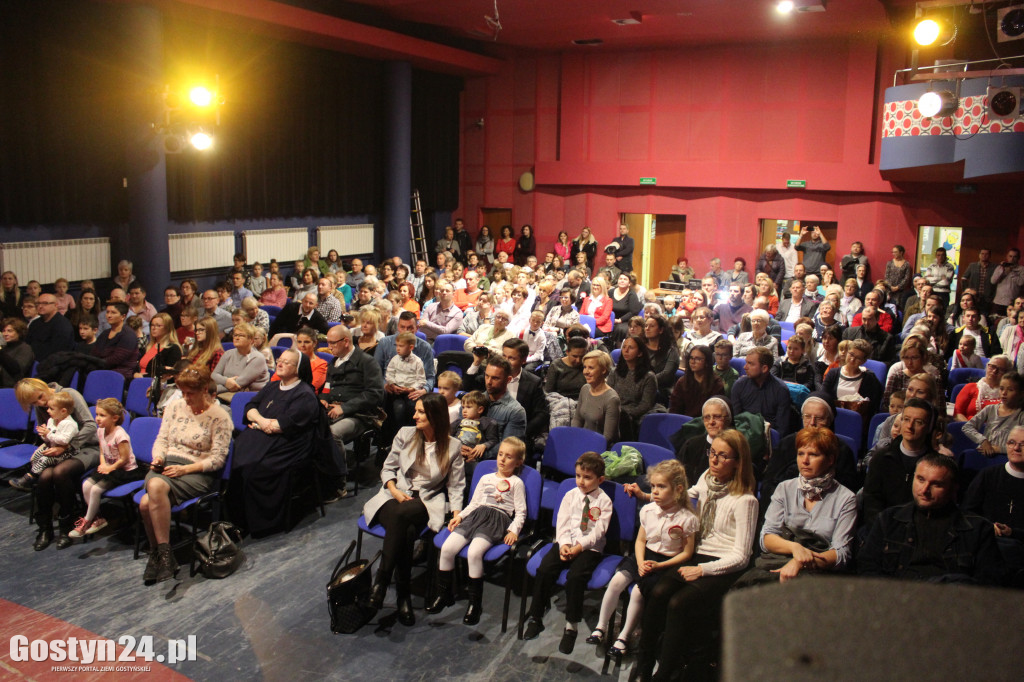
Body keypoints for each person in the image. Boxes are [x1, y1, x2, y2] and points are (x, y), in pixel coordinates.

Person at [635, 429, 757, 682]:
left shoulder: (745, 500)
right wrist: (648, 496)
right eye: (712, 452)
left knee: (678, 603)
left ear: (738, 462)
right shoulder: (705, 479)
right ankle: (644, 662)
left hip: (722, 565)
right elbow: (681, 497)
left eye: (723, 456)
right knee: (657, 592)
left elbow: (742, 556)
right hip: (698, 554)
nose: (714, 460)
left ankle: (664, 673)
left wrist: (702, 570)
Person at [363, 393, 465, 625]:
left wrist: (457, 513)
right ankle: (403, 595)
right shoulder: (405, 434)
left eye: (420, 412)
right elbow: (387, 468)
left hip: (425, 501)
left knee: (403, 516)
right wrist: (395, 491)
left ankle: (380, 582)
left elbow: (456, 485)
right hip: (393, 495)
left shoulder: (453, 446)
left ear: (435, 416)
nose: (414, 415)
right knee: (405, 530)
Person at [589, 460, 697, 659]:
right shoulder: (648, 510)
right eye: (653, 486)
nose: (654, 491)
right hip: (643, 555)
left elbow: (687, 553)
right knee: (616, 582)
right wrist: (639, 562)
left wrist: (659, 565)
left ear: (678, 489)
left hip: (666, 563)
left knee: (638, 592)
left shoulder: (687, 518)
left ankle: (624, 637)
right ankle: (601, 627)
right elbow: (640, 541)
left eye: (661, 487)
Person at [139, 366, 231, 583]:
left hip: (197, 473)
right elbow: (162, 439)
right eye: (183, 393)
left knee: (152, 492)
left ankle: (161, 555)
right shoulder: (176, 406)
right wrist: (159, 458)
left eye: (191, 393)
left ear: (205, 392)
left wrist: (185, 469)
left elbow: (217, 460)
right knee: (147, 501)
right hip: (169, 465)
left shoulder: (220, 417)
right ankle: (162, 555)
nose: (186, 398)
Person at [429, 436, 527, 624]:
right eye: (500, 455)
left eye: (508, 457)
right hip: (476, 516)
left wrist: (514, 530)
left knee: (475, 553)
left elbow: (521, 512)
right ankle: (444, 594)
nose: (502, 459)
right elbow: (474, 503)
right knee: (448, 548)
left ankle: (475, 604)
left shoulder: (516, 483)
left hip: (497, 519)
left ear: (518, 462)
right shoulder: (485, 478)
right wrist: (460, 516)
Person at [860, 454, 1002, 583]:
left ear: (954, 488)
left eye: (936, 484)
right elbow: (867, 569)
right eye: (920, 480)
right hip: (896, 599)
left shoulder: (978, 529)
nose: (924, 490)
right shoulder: (888, 519)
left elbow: (987, 584)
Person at [523, 451, 612, 652]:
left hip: (590, 548)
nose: (581, 481)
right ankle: (536, 618)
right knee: (544, 569)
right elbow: (561, 524)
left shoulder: (604, 501)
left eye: (587, 478)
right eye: (579, 476)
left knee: (576, 577)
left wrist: (579, 547)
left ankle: (571, 627)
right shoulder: (569, 495)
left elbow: (599, 532)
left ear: (600, 479)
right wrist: (563, 544)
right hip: (566, 542)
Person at [228, 348, 321, 537]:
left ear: (298, 368)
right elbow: (250, 408)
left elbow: (282, 426)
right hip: (262, 437)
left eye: (287, 362)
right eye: (280, 359)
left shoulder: (304, 394)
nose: (280, 363)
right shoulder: (273, 386)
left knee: (252, 469)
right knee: (232, 460)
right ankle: (233, 519)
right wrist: (262, 422)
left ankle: (257, 523)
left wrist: (258, 422)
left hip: (289, 446)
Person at [755, 427, 857, 584]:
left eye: (813, 454)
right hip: (779, 563)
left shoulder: (846, 498)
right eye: (801, 453)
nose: (805, 461)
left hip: (820, 573)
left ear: (830, 459)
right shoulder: (784, 488)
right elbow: (766, 538)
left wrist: (800, 561)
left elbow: (840, 553)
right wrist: (796, 549)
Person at [862, 398, 943, 526]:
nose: (910, 426)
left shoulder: (934, 465)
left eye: (918, 422)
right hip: (882, 528)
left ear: (929, 428)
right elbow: (871, 501)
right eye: (906, 419)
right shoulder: (882, 458)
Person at [69, 398, 141, 538]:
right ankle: (98, 519)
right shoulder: (101, 431)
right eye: (97, 415)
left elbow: (124, 459)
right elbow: (102, 451)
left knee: (96, 489)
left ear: (114, 418)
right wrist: (103, 464)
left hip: (125, 470)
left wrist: (110, 468)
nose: (97, 419)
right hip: (109, 466)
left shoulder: (120, 435)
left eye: (102, 415)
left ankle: (86, 522)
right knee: (86, 485)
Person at [963, 425, 1024, 585]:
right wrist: (988, 526)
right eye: (1011, 442)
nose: (1016, 448)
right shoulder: (988, 475)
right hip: (987, 544)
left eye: (1023, 444)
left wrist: (1012, 532)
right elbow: (967, 512)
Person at [10, 390, 79, 492]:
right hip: (52, 447)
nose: (47, 411)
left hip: (67, 452)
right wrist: (44, 435)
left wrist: (48, 434)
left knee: (44, 459)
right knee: (37, 455)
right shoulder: (52, 420)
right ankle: (35, 477)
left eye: (51, 409)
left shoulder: (69, 424)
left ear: (63, 411)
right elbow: (49, 438)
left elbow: (64, 440)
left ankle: (30, 477)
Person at [731, 347, 793, 436]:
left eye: (750, 364)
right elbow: (735, 420)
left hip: (769, 437)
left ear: (764, 368)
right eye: (746, 363)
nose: (745, 367)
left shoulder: (781, 390)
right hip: (743, 435)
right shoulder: (739, 386)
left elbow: (782, 428)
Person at [608, 336, 658, 441]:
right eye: (624, 347)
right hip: (614, 411)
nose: (625, 350)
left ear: (640, 353)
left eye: (630, 348)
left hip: (634, 416)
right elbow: (608, 395)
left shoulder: (649, 376)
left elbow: (646, 404)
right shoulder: (615, 372)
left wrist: (625, 413)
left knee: (622, 420)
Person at [963, 372, 1024, 455]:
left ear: (1021, 394)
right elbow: (967, 427)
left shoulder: (1021, 416)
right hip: (984, 454)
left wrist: (1000, 449)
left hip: (1006, 458)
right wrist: (983, 440)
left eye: (1010, 390)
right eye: (1001, 389)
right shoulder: (990, 409)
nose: (1004, 393)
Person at [821, 337, 883, 415]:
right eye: (851, 354)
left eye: (858, 358)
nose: (852, 359)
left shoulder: (869, 378)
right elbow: (824, 397)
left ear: (863, 361)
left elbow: (873, 406)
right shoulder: (833, 373)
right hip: (832, 415)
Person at [572, 350, 620, 447]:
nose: (586, 372)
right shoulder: (585, 389)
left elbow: (607, 437)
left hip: (599, 449)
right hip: (582, 441)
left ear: (603, 370)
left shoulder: (612, 399)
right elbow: (577, 419)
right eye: (585, 367)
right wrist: (574, 437)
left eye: (591, 368)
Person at [212, 323, 269, 400]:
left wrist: (211, 389)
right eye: (235, 335)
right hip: (225, 395)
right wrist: (226, 381)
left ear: (251, 340)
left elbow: (238, 384)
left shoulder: (258, 358)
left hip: (250, 398)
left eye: (241, 335)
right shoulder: (228, 353)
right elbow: (214, 375)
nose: (237, 338)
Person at [669, 345, 725, 419]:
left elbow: (716, 411)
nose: (692, 362)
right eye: (691, 358)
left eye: (698, 359)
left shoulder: (716, 383)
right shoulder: (682, 381)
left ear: (707, 362)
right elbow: (674, 409)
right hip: (683, 423)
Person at [955, 354, 1010, 422]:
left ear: (1007, 373)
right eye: (992, 367)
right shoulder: (970, 387)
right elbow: (958, 414)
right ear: (987, 367)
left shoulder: (1008, 393)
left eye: (1000, 369)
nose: (994, 371)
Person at [25, 292, 75, 363]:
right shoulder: (35, 323)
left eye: (45, 303)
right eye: (38, 303)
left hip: (54, 365)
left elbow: (58, 352)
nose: (40, 306)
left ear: (56, 305)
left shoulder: (62, 325)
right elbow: (27, 345)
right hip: (34, 362)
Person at [134, 312, 182, 381]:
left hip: (155, 386)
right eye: (152, 325)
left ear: (167, 328)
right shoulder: (149, 346)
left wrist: (142, 377)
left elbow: (170, 375)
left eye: (158, 326)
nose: (153, 328)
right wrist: (135, 374)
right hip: (140, 382)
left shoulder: (173, 348)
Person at [545, 335, 587, 400]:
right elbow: (548, 392)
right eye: (574, 356)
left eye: (582, 356)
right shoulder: (556, 365)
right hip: (560, 402)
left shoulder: (587, 365)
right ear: (567, 352)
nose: (578, 360)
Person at [0, 318, 34, 388]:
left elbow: (17, 369)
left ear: (19, 332)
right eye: (4, 331)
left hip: (14, 387)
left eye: (9, 331)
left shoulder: (25, 348)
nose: (5, 334)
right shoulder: (5, 349)